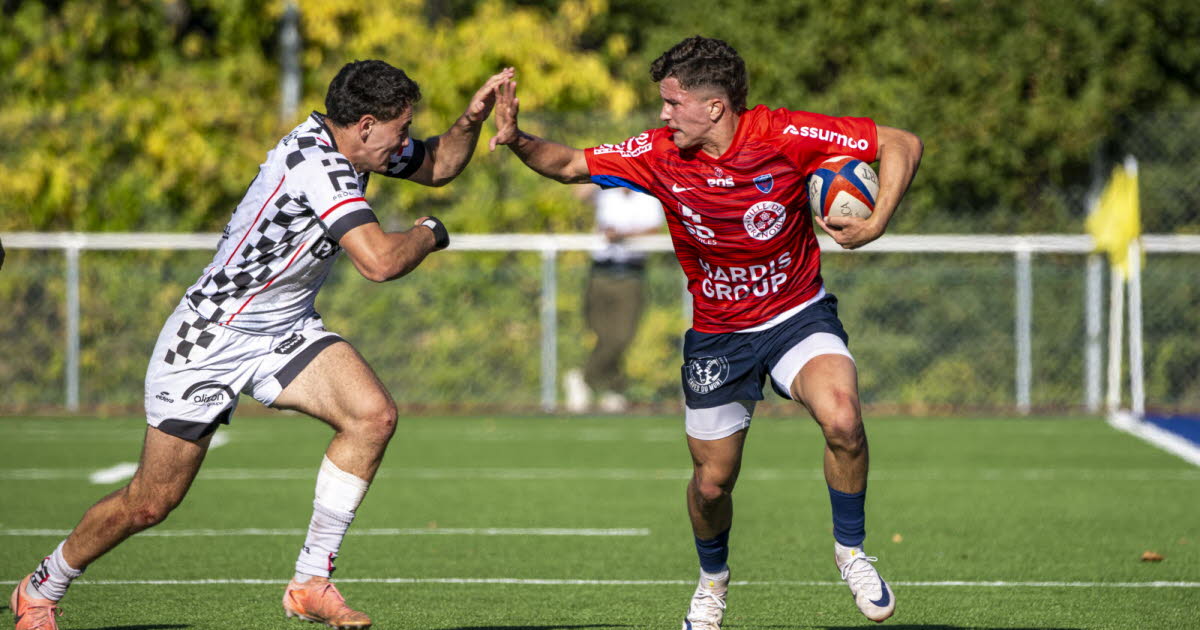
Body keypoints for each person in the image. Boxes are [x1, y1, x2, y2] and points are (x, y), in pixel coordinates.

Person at [10, 60, 513, 630]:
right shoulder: (319, 166)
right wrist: (428, 233)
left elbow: (440, 164)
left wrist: (471, 120)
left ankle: (310, 583)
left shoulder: (355, 147)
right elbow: (378, 263)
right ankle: (41, 588)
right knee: (150, 502)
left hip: (284, 330)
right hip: (210, 337)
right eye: (401, 130)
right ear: (366, 125)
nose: (405, 142)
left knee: (371, 416)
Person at [490, 37, 922, 627]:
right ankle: (712, 581)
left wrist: (876, 224)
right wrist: (517, 139)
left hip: (797, 314)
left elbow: (902, 143)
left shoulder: (785, 134)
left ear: (714, 106)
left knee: (843, 418)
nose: (663, 113)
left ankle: (851, 551)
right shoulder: (657, 152)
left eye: (673, 102)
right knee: (713, 485)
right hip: (719, 335)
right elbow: (569, 165)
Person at [564, 185, 665, 413]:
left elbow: (654, 230)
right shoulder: (606, 192)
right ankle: (613, 388)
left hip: (630, 273)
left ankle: (584, 377)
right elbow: (578, 193)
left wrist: (623, 235)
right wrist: (601, 174)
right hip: (600, 273)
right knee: (602, 335)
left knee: (621, 336)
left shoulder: (648, 197)